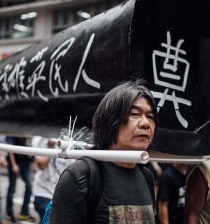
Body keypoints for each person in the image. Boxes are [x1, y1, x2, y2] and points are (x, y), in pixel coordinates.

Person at [49, 80, 158, 223]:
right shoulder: (81, 175)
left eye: (150, 116)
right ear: (111, 120)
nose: (145, 123)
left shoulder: (147, 177)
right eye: (135, 114)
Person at [31, 136, 75, 222]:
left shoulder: (71, 142)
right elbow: (41, 165)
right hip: (43, 192)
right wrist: (51, 148)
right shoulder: (42, 139)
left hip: (57, 195)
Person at [5, 136, 35, 223]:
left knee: (29, 186)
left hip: (25, 162)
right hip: (15, 161)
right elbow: (10, 148)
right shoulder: (15, 128)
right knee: (12, 188)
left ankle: (24, 212)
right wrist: (13, 164)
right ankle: (9, 212)